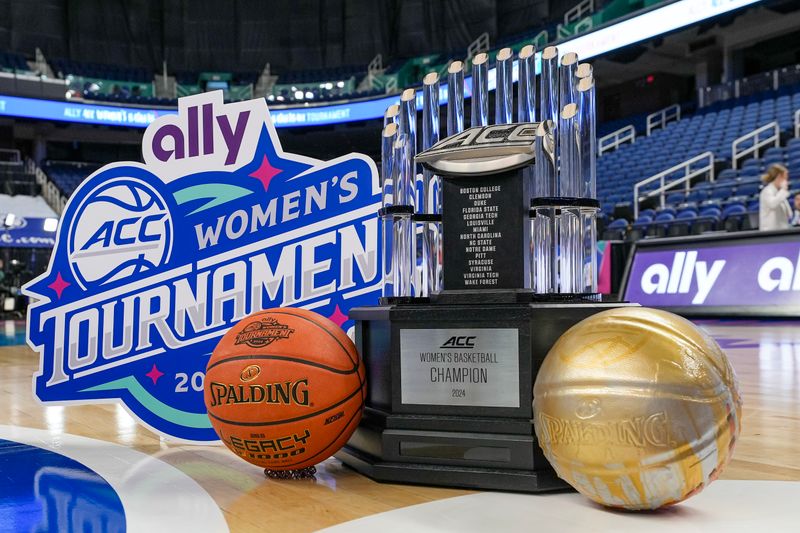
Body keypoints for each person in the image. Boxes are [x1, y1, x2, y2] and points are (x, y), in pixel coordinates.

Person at [759, 163, 792, 231]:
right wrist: (783, 190)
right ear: (779, 177)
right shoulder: (767, 191)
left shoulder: (779, 192)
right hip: (770, 233)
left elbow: (789, 214)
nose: (787, 181)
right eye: (785, 178)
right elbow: (773, 204)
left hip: (782, 231)